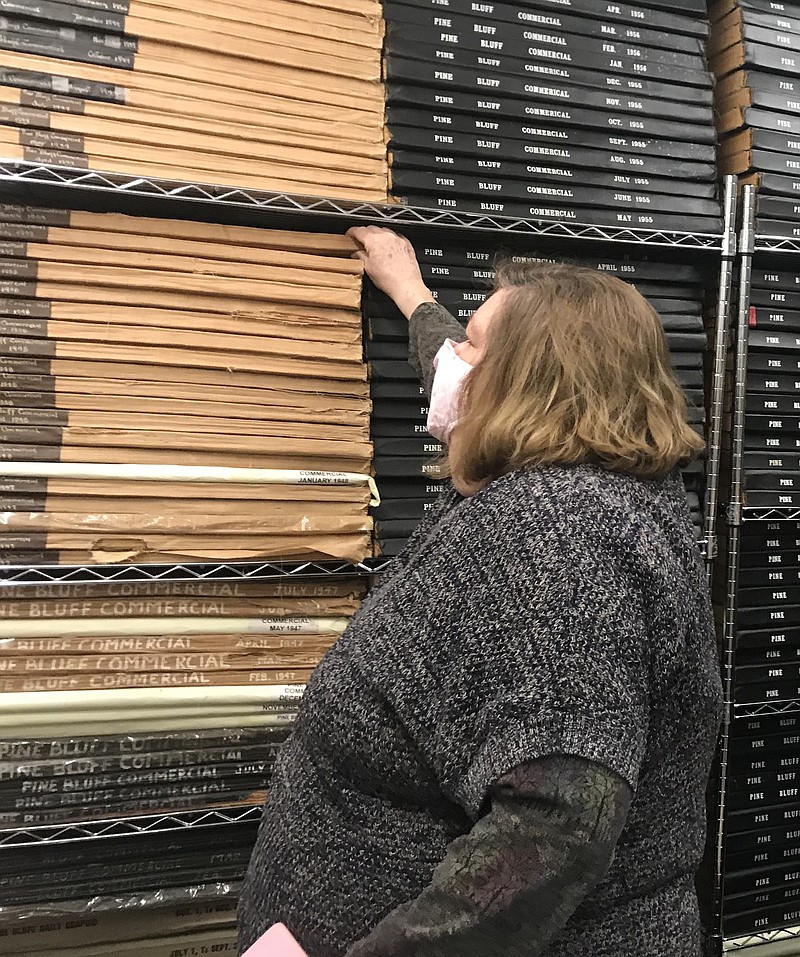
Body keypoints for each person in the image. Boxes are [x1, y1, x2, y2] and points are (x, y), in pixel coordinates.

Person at [238, 226, 723, 957]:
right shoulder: (593, 486)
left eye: (470, 344)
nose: (453, 366)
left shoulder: (561, 534)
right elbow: (450, 376)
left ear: (534, 382)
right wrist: (413, 296)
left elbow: (556, 827)